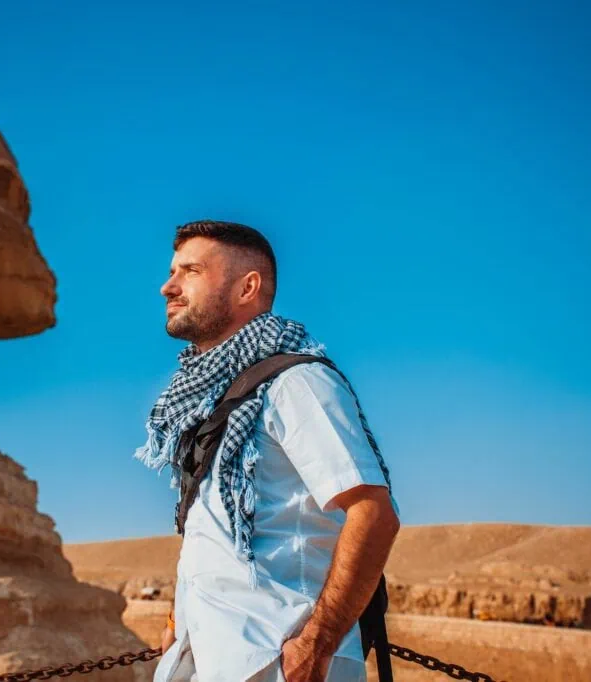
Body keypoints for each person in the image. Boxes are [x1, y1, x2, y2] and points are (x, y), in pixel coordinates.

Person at [134, 220, 401, 682]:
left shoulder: (296, 382)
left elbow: (373, 513)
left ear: (247, 287)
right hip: (211, 659)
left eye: (190, 271)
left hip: (279, 661)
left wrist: (317, 643)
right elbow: (212, 528)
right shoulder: (216, 402)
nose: (167, 286)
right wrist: (182, 619)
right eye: (172, 271)